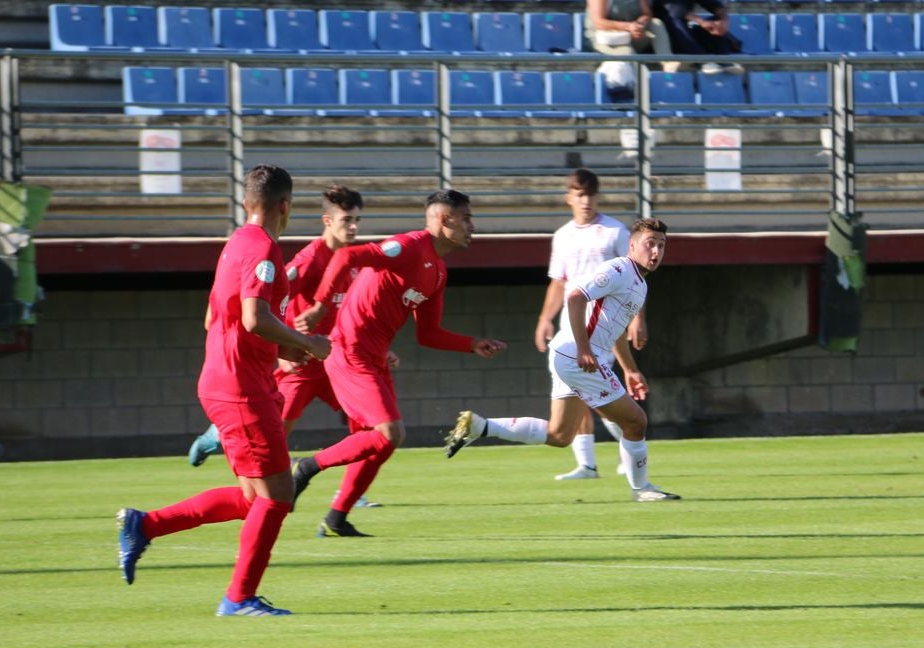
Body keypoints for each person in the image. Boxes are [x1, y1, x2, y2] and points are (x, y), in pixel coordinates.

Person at [116, 164, 332, 616]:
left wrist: (279, 353)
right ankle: (238, 598)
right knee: (278, 498)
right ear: (285, 206)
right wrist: (306, 342)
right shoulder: (265, 250)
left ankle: (146, 525)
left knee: (254, 499)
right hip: (243, 390)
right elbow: (254, 318)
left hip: (228, 380)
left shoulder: (235, 243)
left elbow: (218, 318)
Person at [290, 189, 508, 536]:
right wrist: (318, 306)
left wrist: (473, 344)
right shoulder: (407, 247)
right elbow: (346, 257)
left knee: (378, 443)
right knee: (390, 433)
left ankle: (336, 518)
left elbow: (429, 334)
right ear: (443, 220)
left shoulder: (436, 271)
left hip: (374, 358)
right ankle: (306, 468)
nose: (473, 226)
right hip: (348, 350)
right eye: (466, 218)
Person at [445, 217, 679, 503]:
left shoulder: (640, 285)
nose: (655, 251)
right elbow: (576, 298)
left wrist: (630, 370)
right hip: (576, 357)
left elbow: (616, 332)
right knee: (636, 421)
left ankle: (479, 426)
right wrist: (584, 349)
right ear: (632, 245)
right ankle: (641, 489)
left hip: (571, 356)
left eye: (661, 245)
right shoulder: (618, 269)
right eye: (649, 244)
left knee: (560, 434)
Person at [187, 185, 384, 510]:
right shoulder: (308, 260)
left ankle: (348, 494)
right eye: (347, 220)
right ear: (327, 221)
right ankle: (220, 435)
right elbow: (264, 300)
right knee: (274, 435)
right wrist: (285, 345)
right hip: (301, 363)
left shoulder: (351, 260)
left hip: (332, 362)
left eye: (357, 221)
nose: (353, 227)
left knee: (368, 428)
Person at [535, 168, 644, 481]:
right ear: (569, 198)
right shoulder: (563, 236)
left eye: (591, 195)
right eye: (580, 195)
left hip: (605, 326)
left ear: (598, 197)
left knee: (594, 392)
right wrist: (544, 318)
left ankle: (629, 443)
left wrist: (638, 318)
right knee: (577, 391)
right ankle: (587, 465)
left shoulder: (615, 232)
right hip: (570, 326)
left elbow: (634, 278)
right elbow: (559, 283)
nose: (586, 201)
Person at [653, 0, 742, 75]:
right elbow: (675, 11)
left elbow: (715, 5)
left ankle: (724, 60)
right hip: (663, 41)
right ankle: (703, 62)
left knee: (715, 20)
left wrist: (724, 20)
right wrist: (701, 21)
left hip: (685, 39)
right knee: (676, 21)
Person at [586, 0, 672, 58]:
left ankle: (668, 62)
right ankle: (640, 81)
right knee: (627, 53)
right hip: (607, 40)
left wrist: (640, 25)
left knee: (656, 23)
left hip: (633, 36)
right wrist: (628, 27)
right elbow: (599, 23)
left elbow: (647, 13)